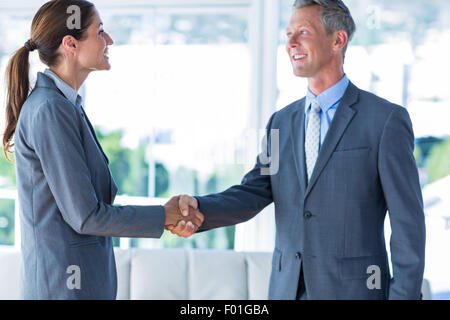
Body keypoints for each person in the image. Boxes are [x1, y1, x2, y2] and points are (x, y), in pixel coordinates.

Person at [169, 0, 426, 300]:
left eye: (302, 32)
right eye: (288, 33)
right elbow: (253, 191)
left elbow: (408, 224)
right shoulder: (281, 122)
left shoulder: (384, 121)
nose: (290, 42)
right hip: (286, 290)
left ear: (337, 40)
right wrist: (199, 209)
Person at [2, 0, 203, 300]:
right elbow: (86, 217)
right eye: (100, 31)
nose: (109, 40)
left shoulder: (67, 106)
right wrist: (163, 215)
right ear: (70, 43)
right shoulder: (50, 109)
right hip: (62, 289)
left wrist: (166, 215)